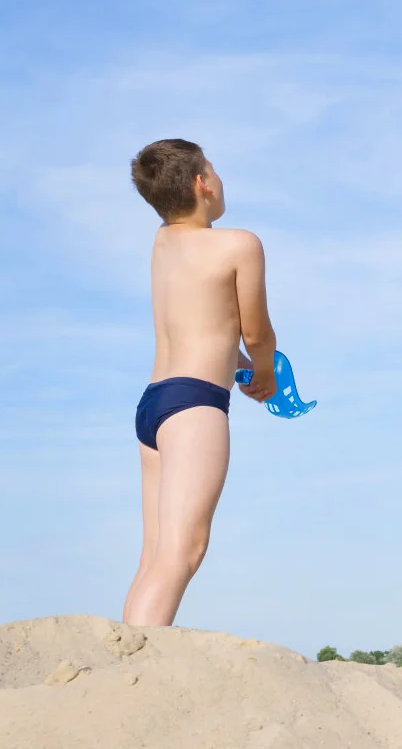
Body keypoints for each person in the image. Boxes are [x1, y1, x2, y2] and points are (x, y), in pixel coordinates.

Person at [122, 139, 278, 626]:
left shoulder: (163, 243)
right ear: (202, 183)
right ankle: (137, 673)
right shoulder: (239, 244)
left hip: (154, 405)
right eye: (215, 169)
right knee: (182, 552)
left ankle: (122, 663)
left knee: (154, 555)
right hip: (195, 405)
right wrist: (265, 372)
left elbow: (208, 321)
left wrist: (238, 361)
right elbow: (254, 331)